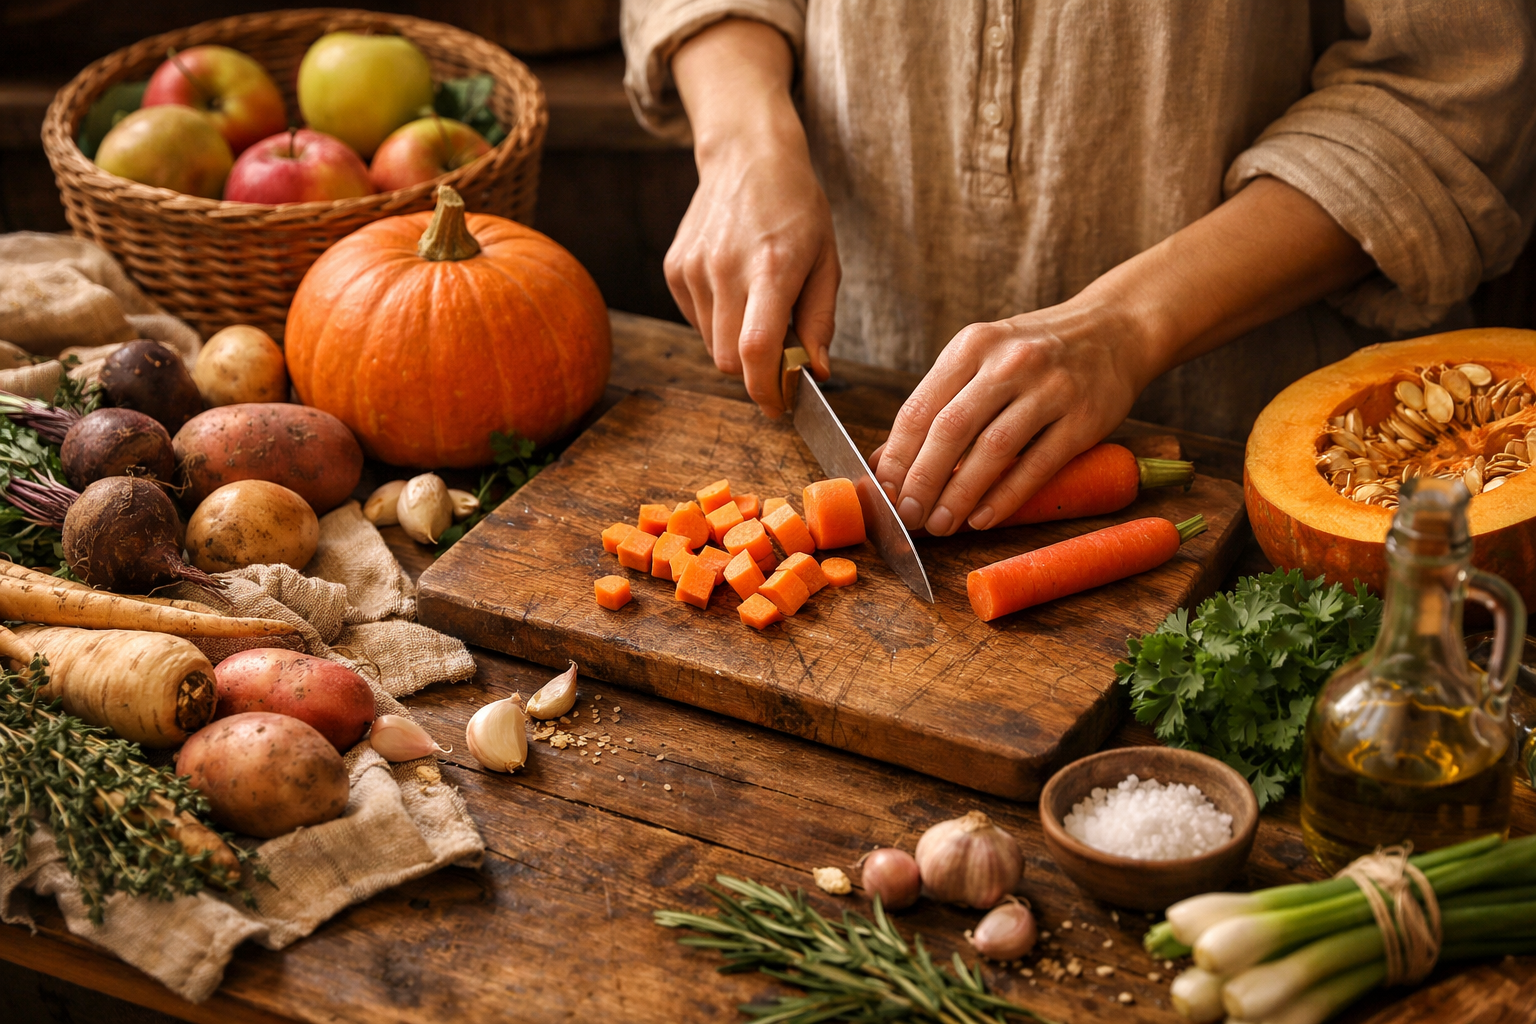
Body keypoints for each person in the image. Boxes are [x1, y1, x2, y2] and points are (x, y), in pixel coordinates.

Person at [622, 2, 1536, 537]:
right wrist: (743, 135)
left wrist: (1129, 323)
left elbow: (1456, 92)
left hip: (1234, 448)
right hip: (860, 373)